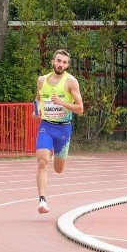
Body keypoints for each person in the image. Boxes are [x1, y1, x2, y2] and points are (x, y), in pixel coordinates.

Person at [32, 49, 83, 214]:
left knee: (59, 169)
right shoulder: (42, 80)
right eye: (58, 61)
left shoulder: (71, 82)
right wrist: (36, 110)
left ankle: (55, 153)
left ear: (67, 65)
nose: (61, 65)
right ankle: (42, 201)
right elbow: (38, 99)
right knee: (41, 162)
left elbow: (80, 108)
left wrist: (62, 102)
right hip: (46, 126)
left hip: (63, 130)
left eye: (64, 62)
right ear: (53, 61)